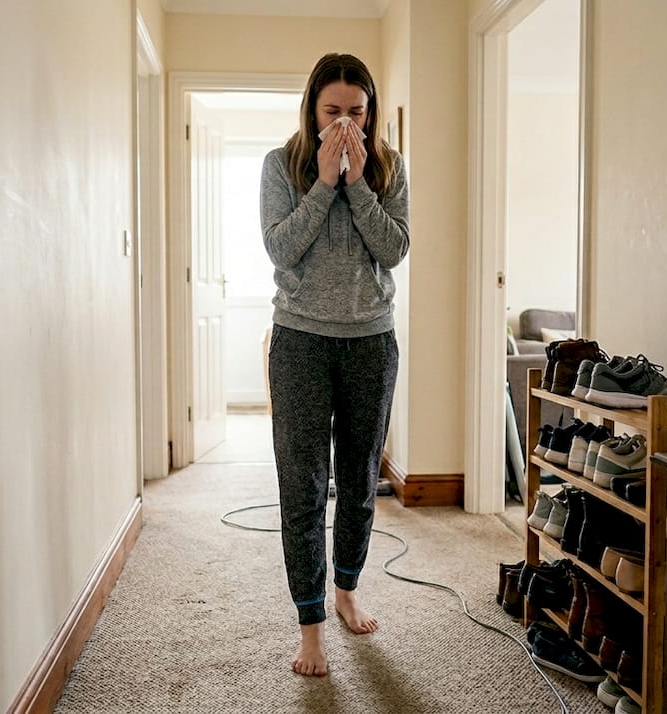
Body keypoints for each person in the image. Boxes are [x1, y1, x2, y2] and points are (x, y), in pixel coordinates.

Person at [260, 53, 410, 677]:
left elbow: (394, 249)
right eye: (332, 111)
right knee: (301, 486)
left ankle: (347, 589)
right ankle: (311, 625)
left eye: (356, 111)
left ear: (370, 112)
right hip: (300, 341)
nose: (345, 123)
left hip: (370, 341)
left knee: (358, 480)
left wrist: (358, 186)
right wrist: (323, 183)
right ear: (311, 110)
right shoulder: (281, 165)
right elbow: (280, 248)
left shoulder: (389, 166)